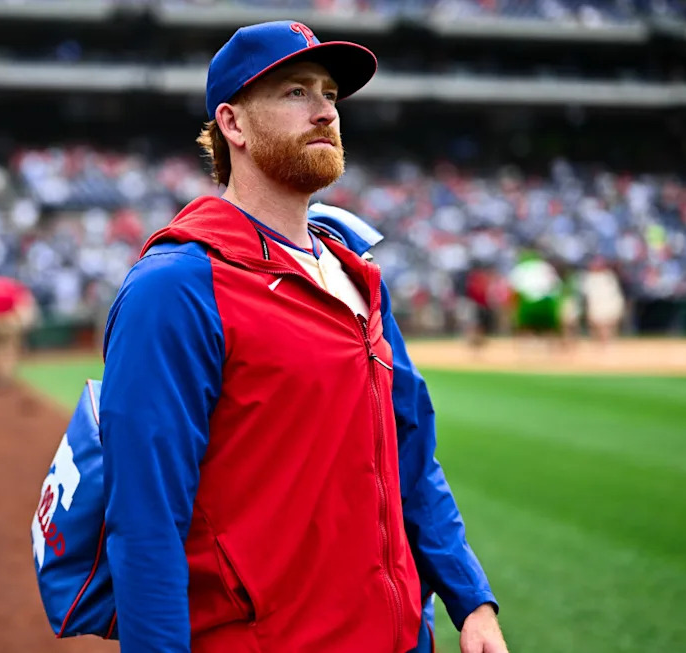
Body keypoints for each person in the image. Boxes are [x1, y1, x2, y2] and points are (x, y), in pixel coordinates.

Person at [99, 21, 506, 653]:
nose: (324, 112)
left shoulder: (356, 274)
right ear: (232, 125)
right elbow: (146, 524)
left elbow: (411, 454)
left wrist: (470, 599)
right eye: (295, 93)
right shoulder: (175, 287)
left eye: (331, 95)